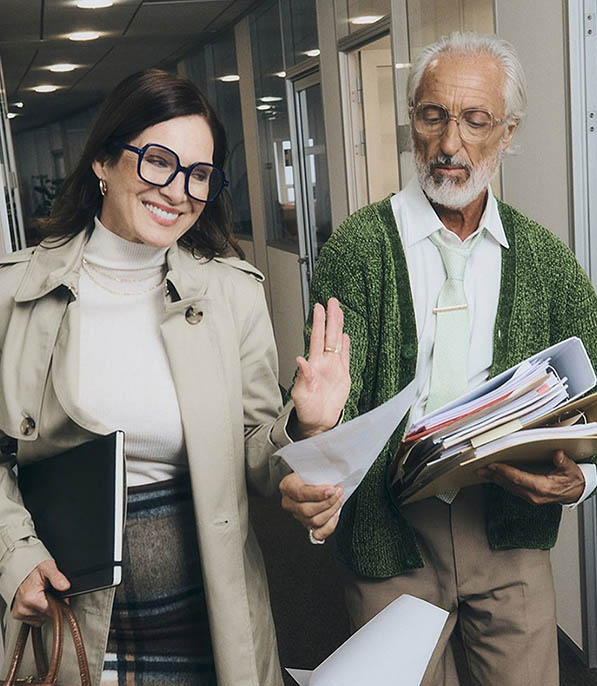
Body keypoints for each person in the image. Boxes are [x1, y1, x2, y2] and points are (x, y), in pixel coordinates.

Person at [0, 69, 350, 686]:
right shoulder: (14, 293)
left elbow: (256, 459)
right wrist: (15, 554)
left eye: (199, 174)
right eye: (158, 162)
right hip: (66, 605)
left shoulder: (232, 295)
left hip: (206, 604)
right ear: (104, 161)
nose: (179, 190)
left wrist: (304, 426)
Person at [280, 32, 597, 686]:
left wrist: (584, 481)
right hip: (387, 533)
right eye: (433, 116)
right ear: (412, 123)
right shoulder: (356, 252)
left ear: (507, 134)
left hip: (509, 531)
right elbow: (327, 407)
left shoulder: (547, 262)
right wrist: (312, 433)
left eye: (476, 121)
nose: (450, 144)